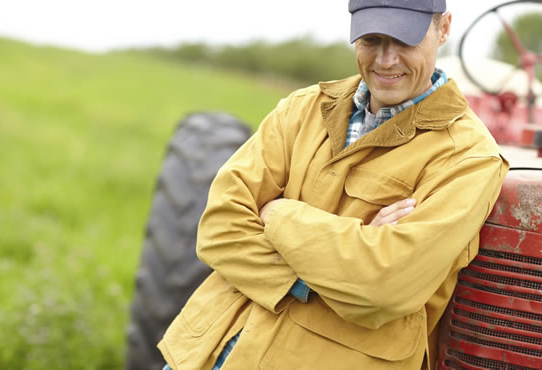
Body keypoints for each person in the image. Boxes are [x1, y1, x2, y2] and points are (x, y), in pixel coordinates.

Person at [158, 0, 509, 368]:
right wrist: (330, 269)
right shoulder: (303, 107)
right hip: (207, 350)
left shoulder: (469, 158)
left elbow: (383, 283)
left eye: (404, 41)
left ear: (444, 29)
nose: (386, 60)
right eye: (372, 39)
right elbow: (219, 226)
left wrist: (278, 213)